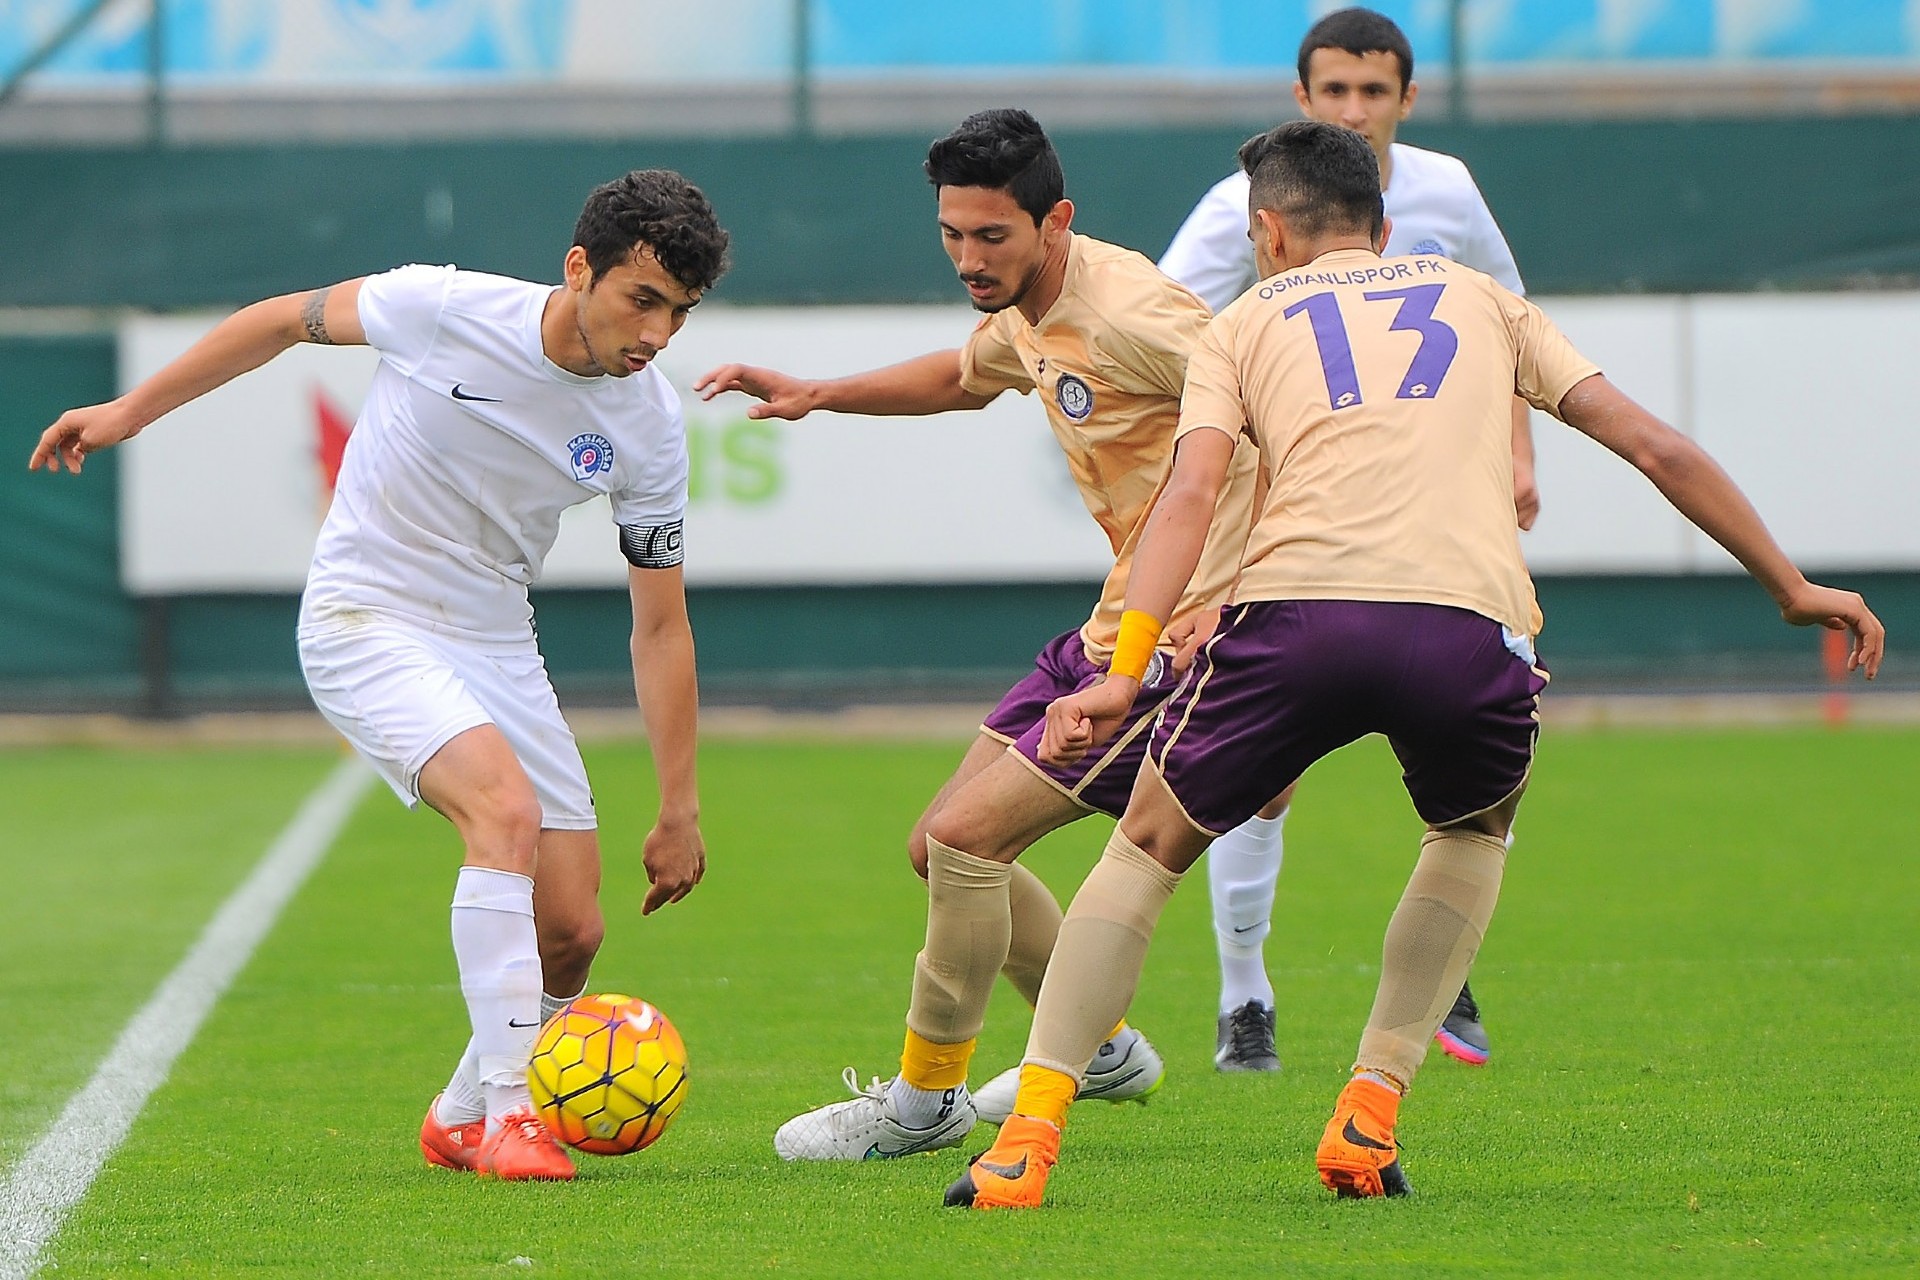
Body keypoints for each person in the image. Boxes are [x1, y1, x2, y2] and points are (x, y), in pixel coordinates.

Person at [944, 119, 1882, 1211]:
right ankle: (1370, 1108)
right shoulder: (1484, 301)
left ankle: (1026, 1141)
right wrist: (1789, 585)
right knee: (1472, 829)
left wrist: (1124, 669)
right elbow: (1653, 444)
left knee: (1147, 849)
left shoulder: (1244, 320)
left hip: (1296, 621)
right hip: (1465, 628)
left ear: (1269, 232)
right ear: (1384, 230)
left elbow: (1189, 495)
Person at [27, 170, 730, 1182]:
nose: (657, 333)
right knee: (505, 815)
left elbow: (660, 627)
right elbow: (280, 321)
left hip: (496, 639)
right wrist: (131, 411)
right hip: (367, 614)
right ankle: (506, 1113)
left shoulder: (650, 425)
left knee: (572, 929)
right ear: (580, 269)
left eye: (680, 313)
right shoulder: (441, 306)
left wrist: (679, 805)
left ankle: (453, 1113)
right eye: (643, 299)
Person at [694, 107, 1263, 1160]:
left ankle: (925, 1102)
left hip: (1182, 647)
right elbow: (965, 377)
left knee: (967, 840)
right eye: (952, 234)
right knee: (940, 845)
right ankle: (1097, 1047)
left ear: (1057, 222)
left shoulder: (1135, 310)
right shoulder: (1028, 309)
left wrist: (1228, 599)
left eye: (991, 235)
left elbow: (1285, 425)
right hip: (1109, 627)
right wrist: (822, 394)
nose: (967, 257)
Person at [1160, 5, 1530, 1071]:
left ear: (1408, 100)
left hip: (1439, 507)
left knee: (1467, 739)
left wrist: (1518, 456)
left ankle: (1445, 967)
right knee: (1263, 770)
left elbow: (1508, 317)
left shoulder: (1446, 192)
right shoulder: (1251, 199)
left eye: (1376, 91)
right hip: (1292, 508)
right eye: (1336, 90)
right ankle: (1245, 995)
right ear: (1302, 98)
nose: (1355, 109)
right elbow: (1171, 312)